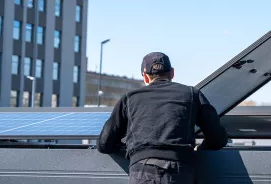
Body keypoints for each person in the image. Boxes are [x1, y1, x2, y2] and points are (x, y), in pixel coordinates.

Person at [97, 51, 229, 183]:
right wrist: (199, 149)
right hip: (179, 171)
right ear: (172, 73)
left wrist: (131, 150)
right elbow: (217, 138)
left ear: (145, 76)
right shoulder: (192, 94)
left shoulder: (129, 98)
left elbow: (104, 144)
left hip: (142, 171)